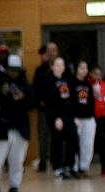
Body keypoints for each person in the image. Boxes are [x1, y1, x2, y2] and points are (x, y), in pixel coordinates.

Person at [0, 54, 35, 192]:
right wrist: (0, 93)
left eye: (17, 70)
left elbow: (32, 103)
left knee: (17, 161)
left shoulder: (24, 84)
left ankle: (14, 188)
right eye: (11, 70)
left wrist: (22, 96)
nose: (14, 73)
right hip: (0, 129)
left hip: (20, 129)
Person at [44, 57, 78, 180]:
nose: (60, 67)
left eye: (62, 65)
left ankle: (69, 167)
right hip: (56, 116)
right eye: (57, 65)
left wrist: (74, 117)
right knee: (57, 142)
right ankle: (57, 168)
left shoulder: (66, 80)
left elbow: (72, 99)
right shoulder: (48, 81)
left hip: (68, 115)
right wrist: (55, 118)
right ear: (52, 67)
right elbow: (48, 103)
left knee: (73, 138)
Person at [32, 42, 58, 172]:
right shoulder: (40, 70)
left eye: (54, 50)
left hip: (58, 108)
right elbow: (35, 89)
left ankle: (57, 161)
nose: (51, 52)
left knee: (57, 135)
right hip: (44, 109)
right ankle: (43, 162)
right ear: (46, 53)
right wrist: (39, 102)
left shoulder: (62, 68)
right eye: (49, 50)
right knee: (43, 136)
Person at [72, 61, 96, 178]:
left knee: (88, 144)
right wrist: (73, 117)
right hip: (77, 118)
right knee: (76, 144)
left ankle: (84, 168)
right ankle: (75, 168)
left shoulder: (88, 84)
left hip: (89, 118)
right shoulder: (72, 83)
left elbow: (91, 102)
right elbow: (70, 101)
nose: (84, 70)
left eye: (86, 68)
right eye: (81, 67)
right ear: (77, 69)